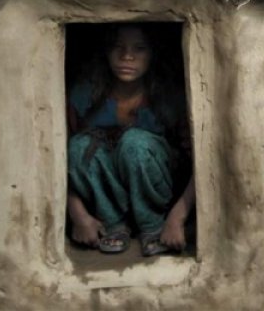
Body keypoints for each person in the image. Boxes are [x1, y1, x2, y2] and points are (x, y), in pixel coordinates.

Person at [66, 24, 194, 256]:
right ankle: (113, 224)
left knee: (135, 143)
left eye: (139, 48)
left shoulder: (169, 98)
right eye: (118, 47)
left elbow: (203, 164)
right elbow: (55, 161)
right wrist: (78, 215)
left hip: (160, 194)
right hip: (104, 200)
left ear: (153, 54)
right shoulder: (84, 94)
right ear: (105, 51)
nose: (127, 56)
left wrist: (177, 217)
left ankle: (152, 225)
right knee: (78, 147)